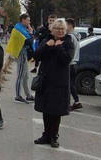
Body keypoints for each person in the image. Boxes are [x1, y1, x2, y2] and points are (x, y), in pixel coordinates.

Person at [33, 18, 74, 148]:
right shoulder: (47, 39)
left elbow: (66, 59)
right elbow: (37, 55)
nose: (60, 31)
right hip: (46, 80)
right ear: (52, 29)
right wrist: (47, 46)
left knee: (56, 111)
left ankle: (54, 136)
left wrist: (58, 48)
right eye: (57, 28)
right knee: (46, 109)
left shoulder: (68, 42)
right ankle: (46, 135)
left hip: (59, 82)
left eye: (62, 29)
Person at [8, 13, 35, 104]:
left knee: (25, 76)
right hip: (21, 53)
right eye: (28, 20)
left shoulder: (22, 28)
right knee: (20, 75)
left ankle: (28, 95)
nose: (29, 22)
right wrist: (31, 33)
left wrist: (31, 33)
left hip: (23, 53)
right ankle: (18, 95)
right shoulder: (19, 29)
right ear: (23, 20)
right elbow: (29, 41)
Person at [66, 18, 82, 111]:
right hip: (74, 63)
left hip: (70, 63)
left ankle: (67, 104)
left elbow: (69, 51)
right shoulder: (76, 35)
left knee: (68, 84)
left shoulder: (71, 37)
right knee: (71, 84)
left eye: (66, 25)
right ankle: (76, 101)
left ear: (70, 25)